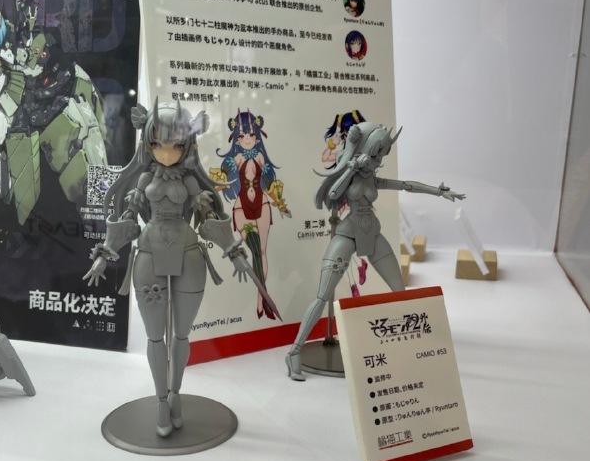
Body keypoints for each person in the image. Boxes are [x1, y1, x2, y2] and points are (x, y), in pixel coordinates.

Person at [84, 98, 250, 434]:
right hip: (148, 254)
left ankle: (175, 395)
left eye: (175, 144)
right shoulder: (144, 180)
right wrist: (105, 252)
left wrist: (233, 251)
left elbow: (209, 218)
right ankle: (161, 400)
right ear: (147, 143)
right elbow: (127, 219)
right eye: (158, 143)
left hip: (189, 254)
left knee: (181, 334)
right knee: (154, 336)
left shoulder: (191, 183)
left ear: (187, 143)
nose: (166, 152)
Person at [285, 122, 465, 381]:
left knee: (400, 291)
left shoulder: (372, 178)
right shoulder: (351, 173)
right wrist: (350, 167)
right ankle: (294, 351)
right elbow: (334, 193)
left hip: (373, 234)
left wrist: (438, 191)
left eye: (381, 156)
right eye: (374, 155)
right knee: (322, 296)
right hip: (347, 235)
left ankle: (418, 352)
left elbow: (405, 185)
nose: (377, 161)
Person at [211, 110, 290, 319]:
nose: (247, 139)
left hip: (262, 205)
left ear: (257, 136)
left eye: (251, 135)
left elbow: (271, 186)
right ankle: (264, 296)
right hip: (242, 208)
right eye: (242, 136)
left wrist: (280, 204)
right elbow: (220, 181)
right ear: (237, 139)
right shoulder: (235, 159)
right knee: (254, 251)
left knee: (262, 252)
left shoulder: (261, 157)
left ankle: (260, 298)